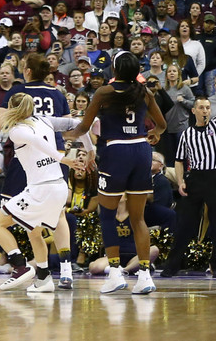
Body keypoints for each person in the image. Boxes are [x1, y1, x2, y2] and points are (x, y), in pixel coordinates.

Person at [65, 51, 167, 294]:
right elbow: (162, 125)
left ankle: (115, 273)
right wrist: (154, 135)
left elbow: (83, 127)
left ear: (116, 70)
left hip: (116, 152)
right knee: (138, 218)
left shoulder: (104, 92)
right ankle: (144, 276)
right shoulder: (145, 92)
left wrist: (62, 135)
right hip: (142, 151)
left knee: (108, 215)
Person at [0, 91, 92, 293]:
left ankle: (20, 265)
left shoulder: (17, 131)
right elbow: (78, 123)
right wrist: (90, 148)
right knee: (34, 231)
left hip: (42, 189)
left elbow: (37, 142)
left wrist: (63, 159)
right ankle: (43, 278)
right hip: (57, 186)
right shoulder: (45, 121)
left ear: (12, 109)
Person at [159, 59, 216, 279]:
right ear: (194, 110)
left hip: (214, 177)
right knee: (186, 223)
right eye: (201, 107)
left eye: (207, 107)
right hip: (195, 178)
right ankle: (172, 265)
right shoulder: (186, 134)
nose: (205, 110)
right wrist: (181, 180)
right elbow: (178, 159)